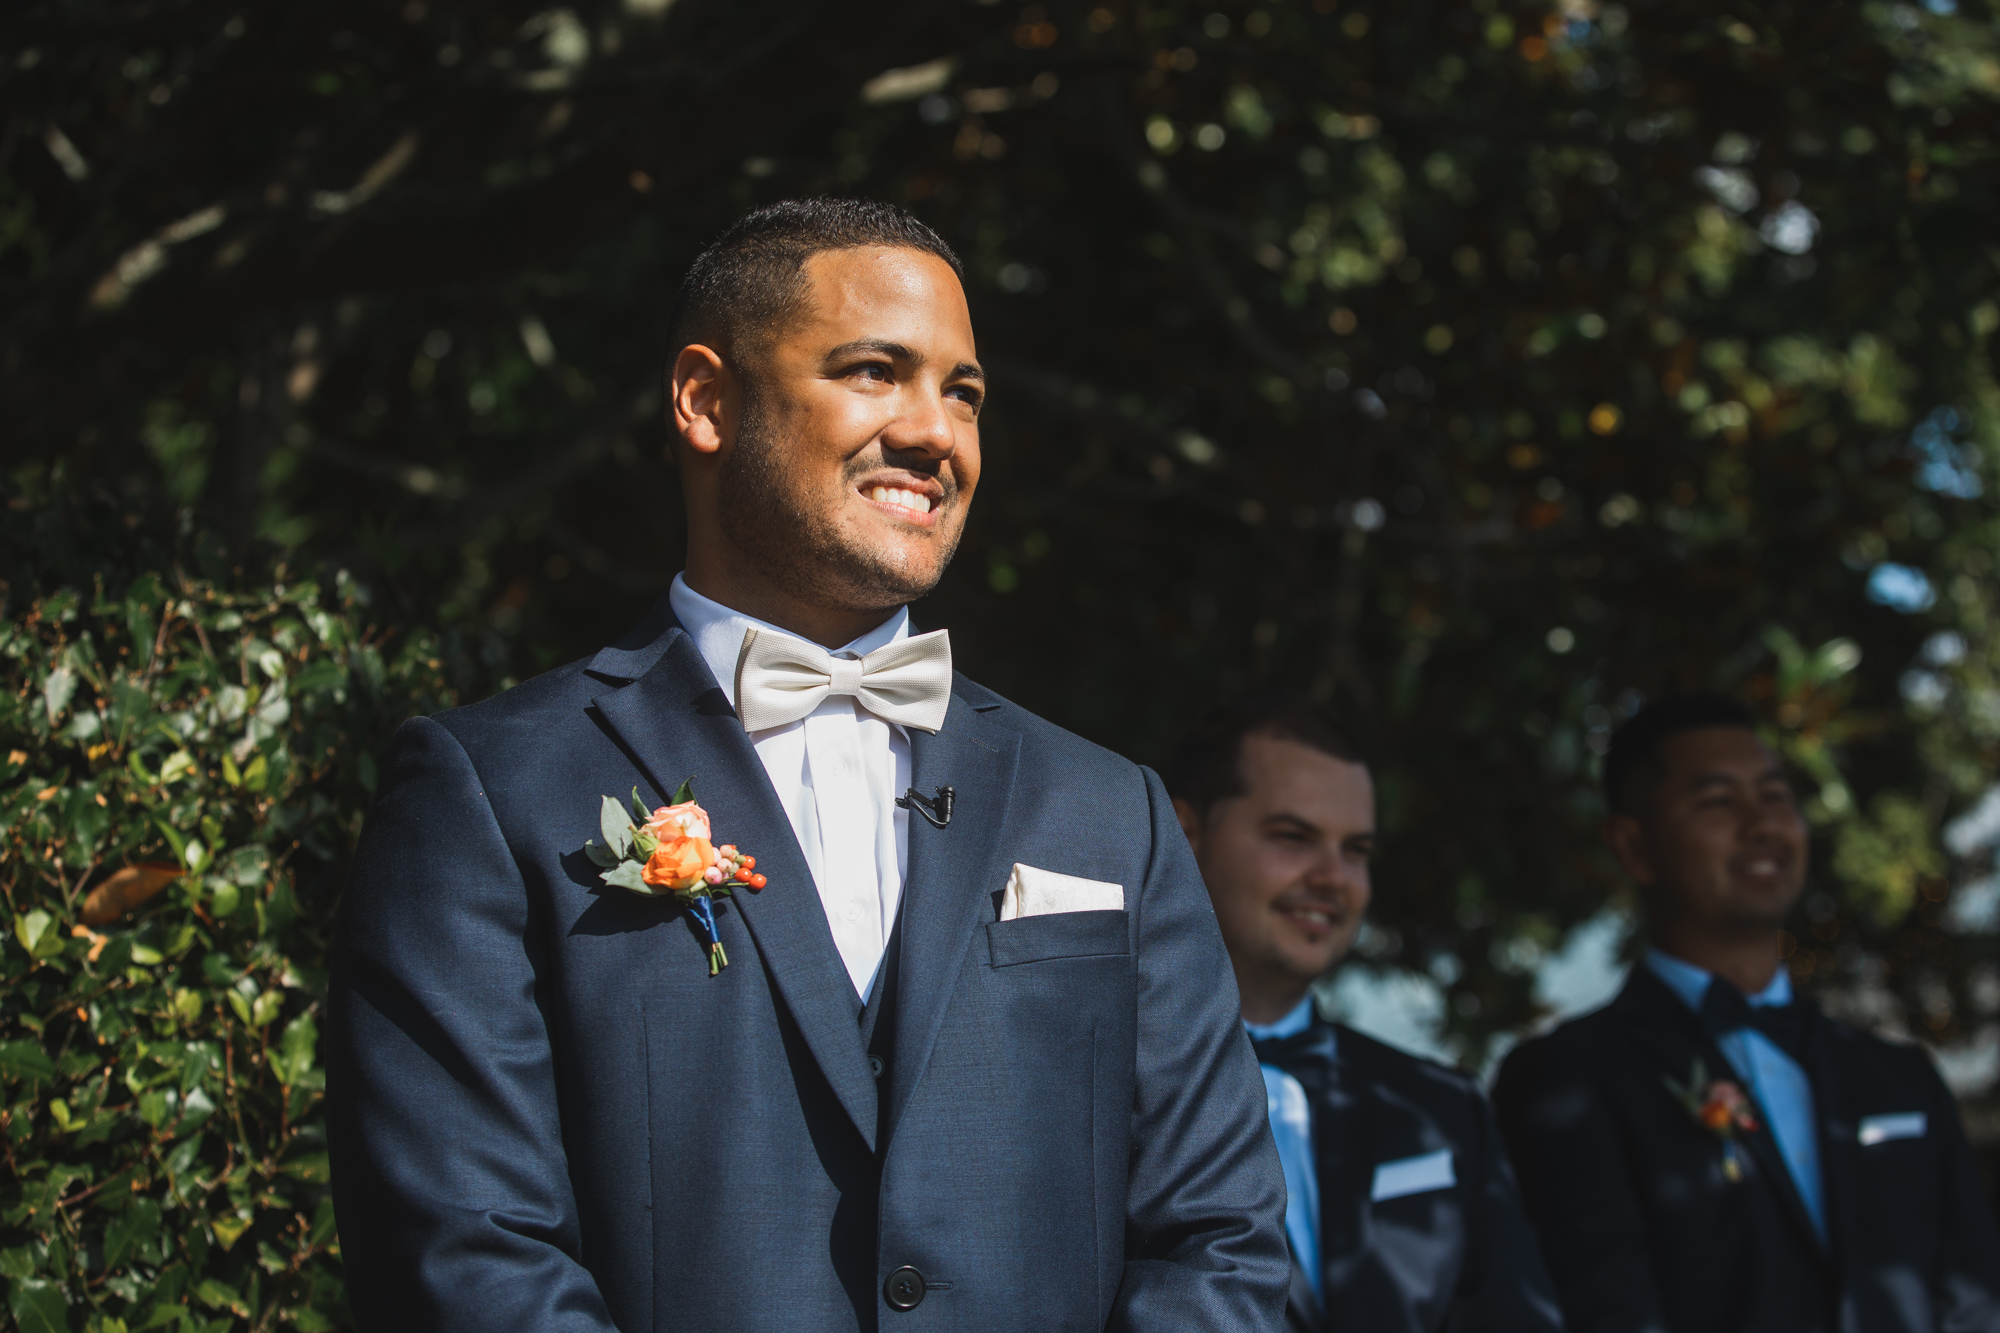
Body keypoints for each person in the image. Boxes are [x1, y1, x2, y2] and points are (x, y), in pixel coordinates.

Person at [325, 199, 1289, 1332]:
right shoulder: (490, 791)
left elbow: (1218, 1238)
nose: (937, 433)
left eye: (964, 392)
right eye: (875, 371)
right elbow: (462, 1252)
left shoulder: (1106, 810)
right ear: (705, 399)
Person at [1493, 693, 2000, 1333]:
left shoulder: (1900, 1077)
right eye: (1718, 802)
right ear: (1633, 845)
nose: (1762, 824)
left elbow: (1974, 1299)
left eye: (1776, 795)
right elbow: (1603, 1310)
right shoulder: (1566, 1081)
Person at [1166, 699, 1565, 1333]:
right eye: (1292, 836)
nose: (1334, 878)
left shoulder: (1445, 1109)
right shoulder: (1095, 1091)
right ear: (1186, 834)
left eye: (1356, 849)